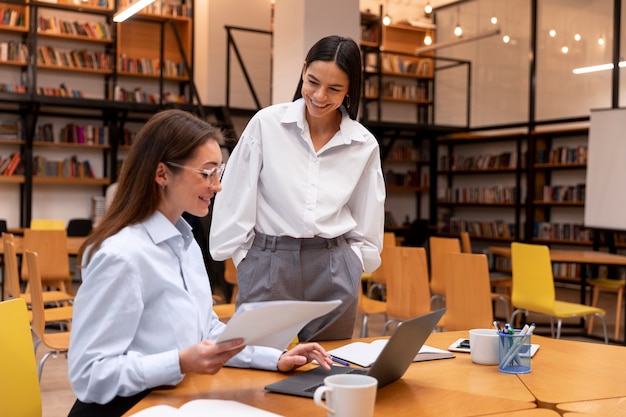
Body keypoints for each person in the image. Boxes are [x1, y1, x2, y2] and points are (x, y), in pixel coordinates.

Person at [67, 109, 332, 417]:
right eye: (207, 173)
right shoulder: (122, 256)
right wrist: (179, 362)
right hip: (123, 408)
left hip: (168, 400)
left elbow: (205, 331)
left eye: (219, 173)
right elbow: (89, 374)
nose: (217, 186)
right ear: (162, 173)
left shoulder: (186, 242)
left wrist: (275, 358)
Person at [209, 35, 386, 342]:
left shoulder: (363, 144)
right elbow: (235, 195)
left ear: (350, 90)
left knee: (327, 371)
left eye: (334, 89)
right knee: (254, 364)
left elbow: (368, 215)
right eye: (313, 81)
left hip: (333, 267)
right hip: (268, 261)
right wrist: (247, 259)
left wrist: (353, 263)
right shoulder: (266, 125)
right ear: (303, 70)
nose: (319, 95)